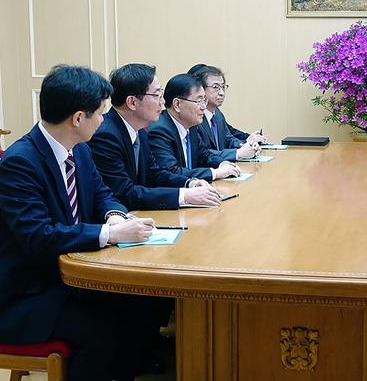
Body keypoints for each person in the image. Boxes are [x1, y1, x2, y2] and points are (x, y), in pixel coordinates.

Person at [0, 65, 156, 381]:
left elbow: (102, 194)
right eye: (99, 113)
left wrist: (114, 214)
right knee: (98, 332)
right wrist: (110, 233)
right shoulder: (19, 162)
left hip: (65, 277)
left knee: (141, 303)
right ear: (77, 118)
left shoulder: (79, 150)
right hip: (27, 292)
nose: (104, 120)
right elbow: (38, 236)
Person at [88, 63, 222, 210]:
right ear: (132, 102)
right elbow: (124, 193)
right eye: (157, 95)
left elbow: (154, 173)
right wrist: (184, 196)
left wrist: (190, 183)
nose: (163, 102)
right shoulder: (106, 135)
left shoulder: (139, 131)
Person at [147, 73, 241, 181]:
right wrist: (214, 173)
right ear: (177, 104)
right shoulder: (159, 131)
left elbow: (204, 155)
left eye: (204, 100)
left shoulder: (191, 126)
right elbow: (171, 172)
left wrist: (222, 163)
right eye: (199, 101)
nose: (203, 107)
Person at [187, 64, 261, 161]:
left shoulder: (217, 114)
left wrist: (246, 146)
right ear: (201, 89)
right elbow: (202, 153)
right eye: (216, 87)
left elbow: (228, 138)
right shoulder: (194, 117)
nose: (221, 93)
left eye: (223, 87)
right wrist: (238, 153)